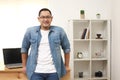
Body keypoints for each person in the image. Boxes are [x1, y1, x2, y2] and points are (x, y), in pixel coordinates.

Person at [21, 8, 70, 80]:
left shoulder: (59, 31)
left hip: (54, 71)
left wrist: (67, 66)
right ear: (38, 18)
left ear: (51, 18)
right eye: (43, 17)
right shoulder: (30, 31)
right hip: (35, 71)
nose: (45, 19)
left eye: (48, 17)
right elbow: (24, 49)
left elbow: (67, 48)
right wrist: (24, 66)